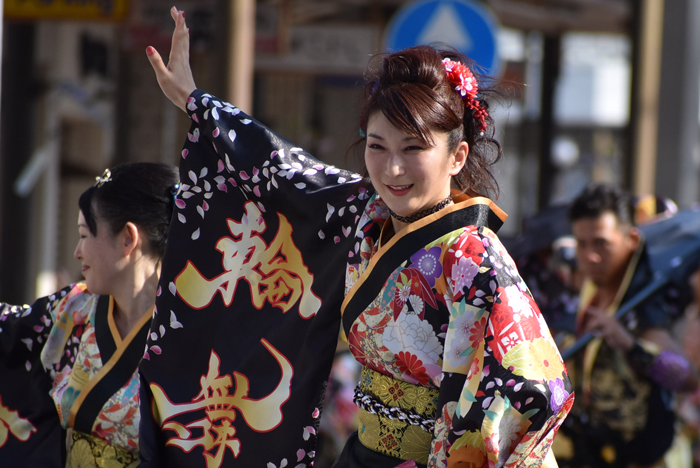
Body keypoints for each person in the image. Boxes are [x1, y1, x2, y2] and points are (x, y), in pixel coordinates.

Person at [138, 7, 573, 468]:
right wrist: (195, 101)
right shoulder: (364, 215)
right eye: (378, 146)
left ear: (458, 155)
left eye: (413, 148)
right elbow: (282, 172)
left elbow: (532, 383)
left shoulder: (472, 255)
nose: (393, 169)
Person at [0, 162, 179, 467]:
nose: (77, 252)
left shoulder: (190, 334)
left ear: (128, 238)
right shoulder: (74, 308)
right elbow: (9, 331)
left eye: (84, 235)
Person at [554, 183, 698, 468]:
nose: (590, 256)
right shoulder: (585, 291)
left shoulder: (643, 307)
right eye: (581, 244)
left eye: (601, 243)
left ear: (631, 239)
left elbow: (687, 378)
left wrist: (629, 345)